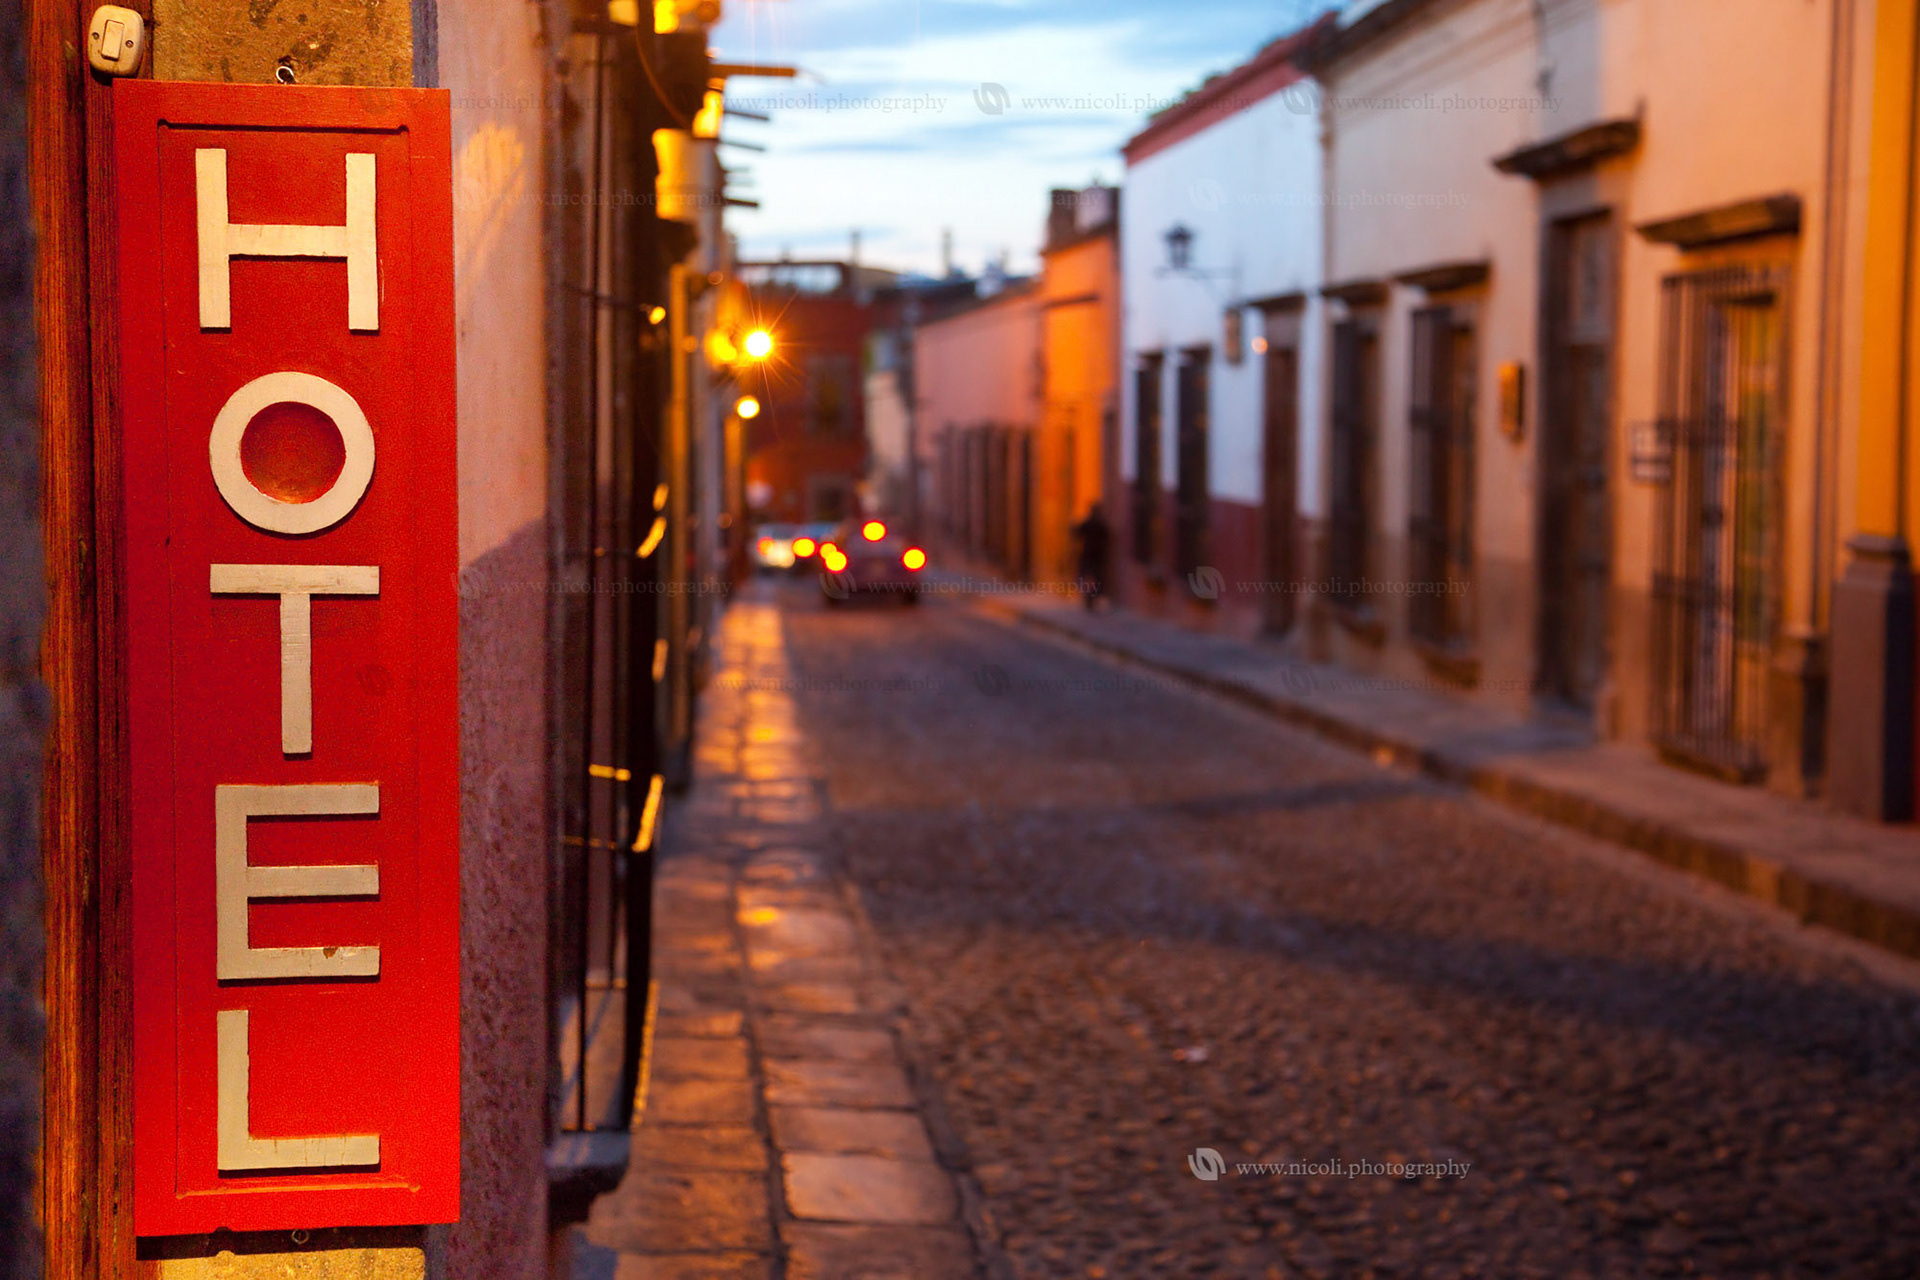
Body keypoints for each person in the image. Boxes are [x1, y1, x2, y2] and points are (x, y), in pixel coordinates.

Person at [1071, 502, 1112, 612]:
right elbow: (1107, 536)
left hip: (1089, 555)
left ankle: (1089, 599)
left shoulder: (1089, 523)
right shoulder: (1099, 524)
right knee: (1096, 577)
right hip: (1097, 556)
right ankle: (1092, 597)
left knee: (1087, 576)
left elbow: (1077, 533)